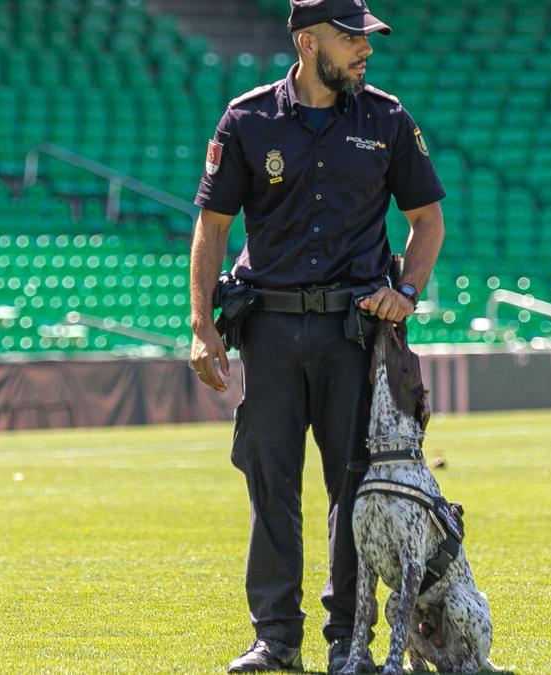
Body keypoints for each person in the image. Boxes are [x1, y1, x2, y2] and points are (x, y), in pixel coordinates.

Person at [187, 0, 445, 671]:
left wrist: (407, 292)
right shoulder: (245, 120)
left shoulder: (388, 119)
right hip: (266, 329)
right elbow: (211, 227)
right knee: (270, 484)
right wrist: (199, 327)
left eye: (368, 38)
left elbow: (428, 220)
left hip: (351, 334)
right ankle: (275, 640)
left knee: (353, 489)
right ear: (307, 42)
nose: (365, 49)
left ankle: (347, 643)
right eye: (350, 37)